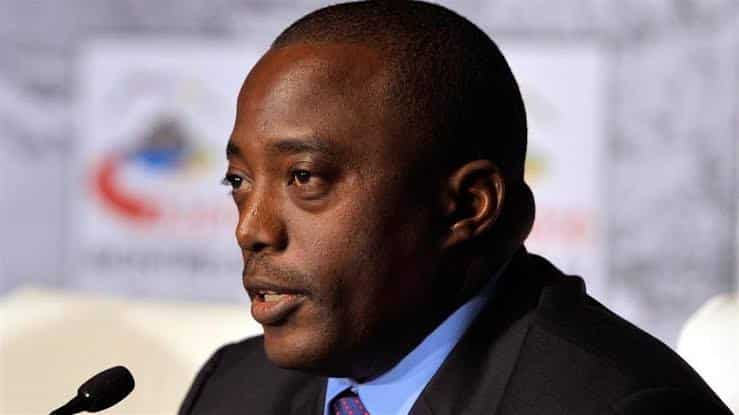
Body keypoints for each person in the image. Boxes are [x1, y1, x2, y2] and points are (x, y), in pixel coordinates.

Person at [179, 1, 732, 414]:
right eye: (238, 181)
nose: (251, 229)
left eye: (304, 177)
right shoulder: (233, 388)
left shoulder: (618, 405)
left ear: (468, 206)